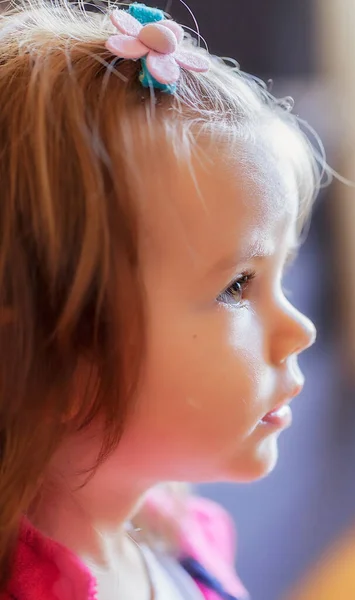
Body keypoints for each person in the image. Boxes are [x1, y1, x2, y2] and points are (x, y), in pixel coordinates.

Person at [0, 1, 322, 597]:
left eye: (283, 274)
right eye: (238, 286)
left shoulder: (181, 534)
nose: (299, 328)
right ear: (47, 358)